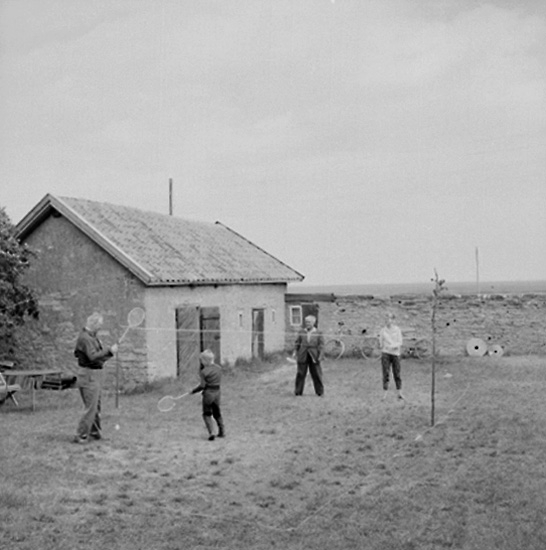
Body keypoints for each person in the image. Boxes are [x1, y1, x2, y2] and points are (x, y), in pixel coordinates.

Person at [73, 312, 118, 443]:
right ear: (93, 324)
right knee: (91, 408)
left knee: (96, 406)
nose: (100, 327)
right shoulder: (85, 338)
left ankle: (94, 433)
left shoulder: (91, 337)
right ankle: (81, 435)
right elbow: (92, 357)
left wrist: (110, 353)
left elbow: (98, 357)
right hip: (88, 375)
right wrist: (109, 351)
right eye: (99, 324)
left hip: (93, 374)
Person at [191, 349, 225, 441]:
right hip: (217, 393)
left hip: (208, 394)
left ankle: (212, 432)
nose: (201, 362)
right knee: (217, 413)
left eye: (201, 360)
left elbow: (202, 386)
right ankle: (222, 431)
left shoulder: (204, 372)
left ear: (205, 361)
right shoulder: (219, 368)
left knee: (207, 414)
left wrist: (193, 391)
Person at [294, 315, 325, 396]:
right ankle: (298, 392)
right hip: (303, 354)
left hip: (314, 355)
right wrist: (295, 351)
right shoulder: (301, 332)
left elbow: (321, 345)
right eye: (306, 322)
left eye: (309, 322)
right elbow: (297, 343)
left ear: (313, 323)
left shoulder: (318, 332)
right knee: (300, 373)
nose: (307, 324)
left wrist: (320, 356)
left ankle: (319, 392)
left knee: (316, 374)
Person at [379, 312, 404, 400]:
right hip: (386, 353)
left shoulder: (397, 330)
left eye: (389, 319)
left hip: (395, 354)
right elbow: (381, 342)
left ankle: (399, 393)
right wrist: (383, 347)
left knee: (397, 373)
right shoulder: (383, 331)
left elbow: (400, 342)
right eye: (385, 319)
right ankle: (385, 393)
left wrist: (393, 346)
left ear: (393, 320)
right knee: (385, 373)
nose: (387, 321)